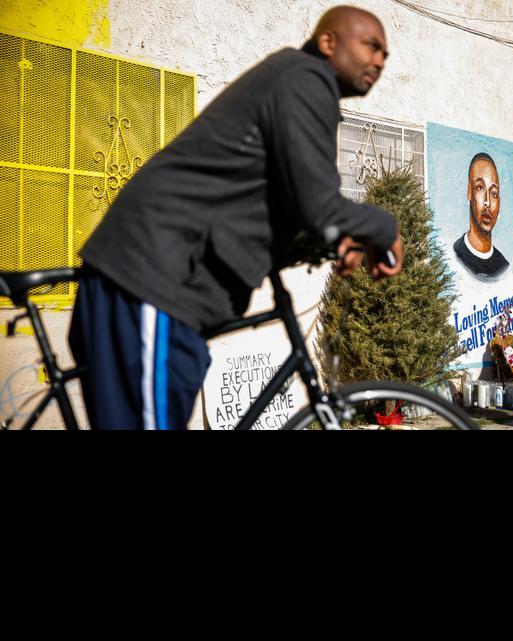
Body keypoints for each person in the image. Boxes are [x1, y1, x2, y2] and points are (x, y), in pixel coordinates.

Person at [68, 6, 404, 429]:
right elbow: (318, 204)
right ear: (328, 42)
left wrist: (334, 239)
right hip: (154, 276)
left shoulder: (296, 86)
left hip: (165, 285)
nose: (379, 60)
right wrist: (383, 228)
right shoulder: (304, 79)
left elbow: (292, 206)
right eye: (371, 46)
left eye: (386, 55)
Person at [452, 152, 509, 278]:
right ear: (469, 192)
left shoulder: (504, 267)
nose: (487, 202)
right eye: (480, 188)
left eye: (494, 193)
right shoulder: (455, 254)